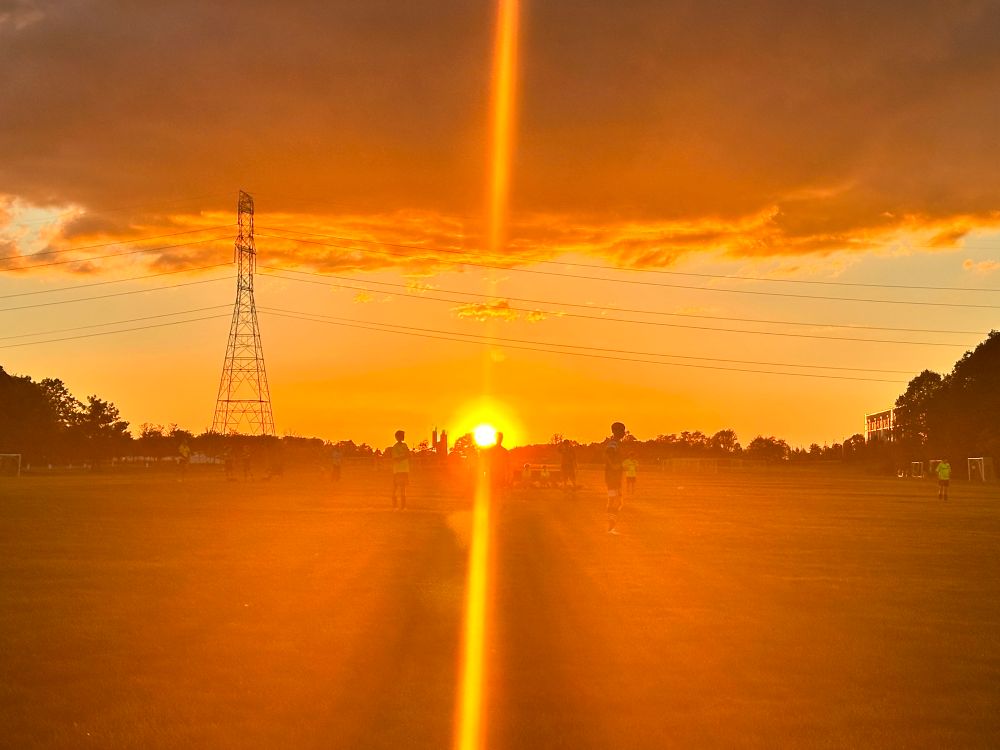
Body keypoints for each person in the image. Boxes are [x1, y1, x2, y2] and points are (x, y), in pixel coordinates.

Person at [605, 422, 627, 534]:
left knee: (617, 501)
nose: (624, 433)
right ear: (616, 431)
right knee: (615, 500)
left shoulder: (617, 443)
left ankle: (611, 526)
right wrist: (613, 466)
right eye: (622, 430)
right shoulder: (613, 443)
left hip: (615, 476)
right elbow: (608, 454)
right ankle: (611, 527)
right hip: (612, 476)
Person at [387, 430, 411, 510]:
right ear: (398, 437)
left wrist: (406, 456)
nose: (403, 437)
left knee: (403, 489)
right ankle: (395, 506)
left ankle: (403, 506)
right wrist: (405, 456)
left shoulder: (405, 445)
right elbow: (396, 459)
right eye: (402, 435)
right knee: (395, 488)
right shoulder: (395, 447)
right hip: (397, 470)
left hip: (405, 469)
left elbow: (408, 454)